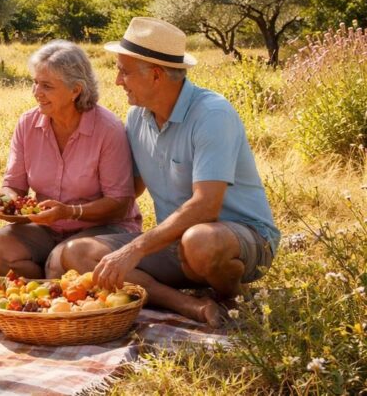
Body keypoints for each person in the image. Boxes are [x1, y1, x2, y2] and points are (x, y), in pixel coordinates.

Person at [59, 17, 279, 327]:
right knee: (78, 253)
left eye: (124, 70)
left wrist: (135, 248)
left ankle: (233, 299)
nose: (118, 80)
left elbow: (206, 205)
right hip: (176, 243)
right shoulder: (137, 116)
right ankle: (191, 306)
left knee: (200, 241)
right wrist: (67, 203)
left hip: (239, 238)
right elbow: (129, 190)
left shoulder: (212, 114)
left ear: (157, 75)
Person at [0, 40, 141, 279]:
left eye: (47, 86)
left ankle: (56, 271)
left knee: (61, 265)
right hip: (48, 228)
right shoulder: (28, 124)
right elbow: (14, 184)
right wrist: (6, 201)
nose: (36, 92)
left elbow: (120, 203)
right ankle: (54, 276)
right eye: (35, 83)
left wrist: (69, 212)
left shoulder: (107, 129)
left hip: (102, 229)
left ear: (76, 90)